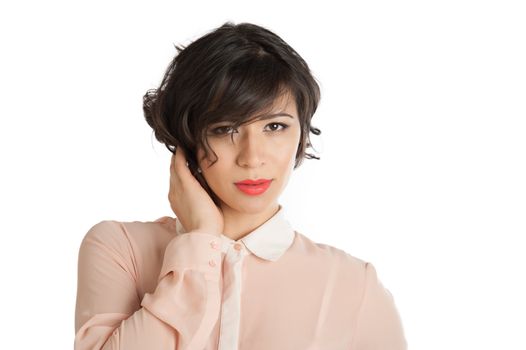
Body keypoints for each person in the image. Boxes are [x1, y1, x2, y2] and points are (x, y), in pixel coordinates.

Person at [74, 21, 407, 349]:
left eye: (275, 126)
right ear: (187, 139)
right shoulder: (120, 249)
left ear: (301, 135)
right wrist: (200, 239)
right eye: (224, 128)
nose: (252, 157)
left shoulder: (353, 285)